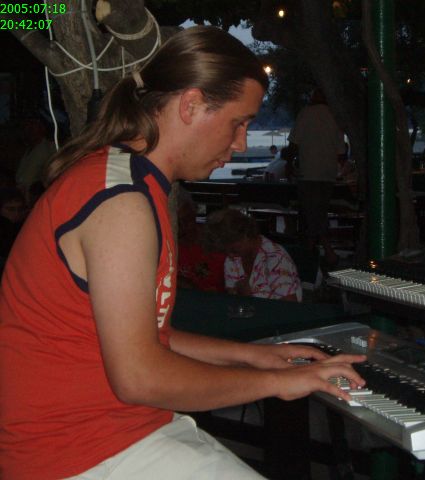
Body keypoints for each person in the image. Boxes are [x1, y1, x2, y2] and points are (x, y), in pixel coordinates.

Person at [0, 26, 365, 480]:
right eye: (238, 122)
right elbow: (139, 376)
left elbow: (153, 337)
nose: (241, 143)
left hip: (117, 430)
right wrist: (278, 382)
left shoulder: (134, 182)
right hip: (70, 452)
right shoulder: (120, 202)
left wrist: (253, 356)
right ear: (190, 105)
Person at [289, 88, 346, 266]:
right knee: (319, 212)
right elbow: (341, 151)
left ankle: (325, 251)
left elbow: (294, 143)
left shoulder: (306, 114)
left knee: (311, 213)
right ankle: (313, 250)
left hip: (309, 172)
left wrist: (289, 164)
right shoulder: (334, 117)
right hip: (328, 172)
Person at [206, 208, 303, 302]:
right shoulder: (233, 259)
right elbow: (233, 300)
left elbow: (289, 306)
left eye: (233, 249)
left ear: (247, 235)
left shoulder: (276, 258)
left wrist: (248, 296)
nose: (230, 255)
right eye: (225, 250)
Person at [14, 116, 57, 203]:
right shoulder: (28, 150)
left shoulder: (50, 148)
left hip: (38, 198)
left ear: (42, 128)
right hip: (22, 198)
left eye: (33, 125)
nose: (29, 129)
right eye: (27, 126)